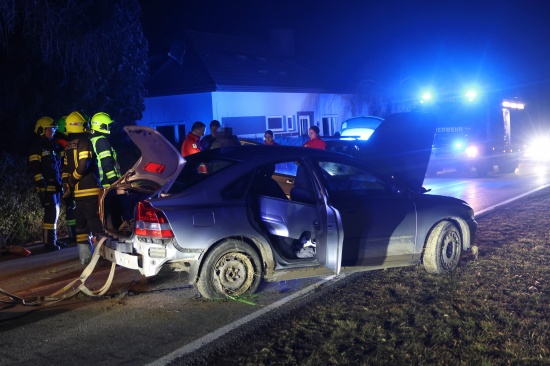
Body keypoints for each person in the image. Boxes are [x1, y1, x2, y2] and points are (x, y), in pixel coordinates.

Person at [62, 111, 103, 264]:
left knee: (81, 225)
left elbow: (64, 169)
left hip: (77, 194)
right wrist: (72, 180)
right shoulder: (85, 141)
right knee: (96, 223)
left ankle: (84, 257)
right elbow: (83, 165)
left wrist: (67, 184)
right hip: (90, 189)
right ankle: (102, 255)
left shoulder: (67, 146)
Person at [28, 117, 66, 251]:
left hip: (56, 185)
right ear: (41, 130)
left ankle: (53, 240)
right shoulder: (36, 148)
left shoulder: (53, 146)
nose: (53, 131)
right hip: (46, 186)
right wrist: (41, 186)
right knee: (50, 214)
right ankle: (49, 243)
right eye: (50, 129)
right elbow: (35, 168)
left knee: (55, 213)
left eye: (54, 129)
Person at [54, 115, 77, 244]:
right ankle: (74, 234)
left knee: (70, 206)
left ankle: (73, 234)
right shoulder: (62, 143)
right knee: (71, 206)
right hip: (66, 178)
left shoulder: (58, 142)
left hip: (64, 178)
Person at [88, 112, 121, 188]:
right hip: (107, 184)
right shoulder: (102, 141)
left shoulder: (92, 140)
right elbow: (107, 163)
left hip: (99, 182)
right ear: (102, 126)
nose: (110, 127)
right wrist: (115, 182)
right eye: (108, 125)